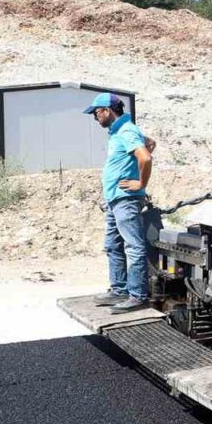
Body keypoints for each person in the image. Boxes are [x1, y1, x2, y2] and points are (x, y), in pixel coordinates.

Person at [84, 93, 155, 314]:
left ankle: (137, 295)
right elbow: (151, 143)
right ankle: (119, 289)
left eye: (96, 113)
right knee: (113, 245)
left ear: (107, 111)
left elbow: (145, 157)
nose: (95, 118)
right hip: (115, 199)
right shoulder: (121, 131)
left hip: (126, 199)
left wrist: (140, 182)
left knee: (133, 246)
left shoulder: (126, 131)